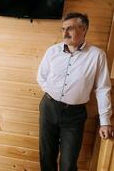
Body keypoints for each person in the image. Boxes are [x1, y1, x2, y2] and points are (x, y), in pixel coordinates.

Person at [37, 12, 114, 171]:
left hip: (75, 115)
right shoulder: (52, 51)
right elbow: (41, 76)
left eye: (70, 28)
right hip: (49, 108)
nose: (65, 33)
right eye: (63, 28)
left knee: (68, 162)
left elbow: (103, 88)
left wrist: (105, 122)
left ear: (84, 29)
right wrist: (52, 92)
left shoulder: (97, 56)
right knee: (46, 156)